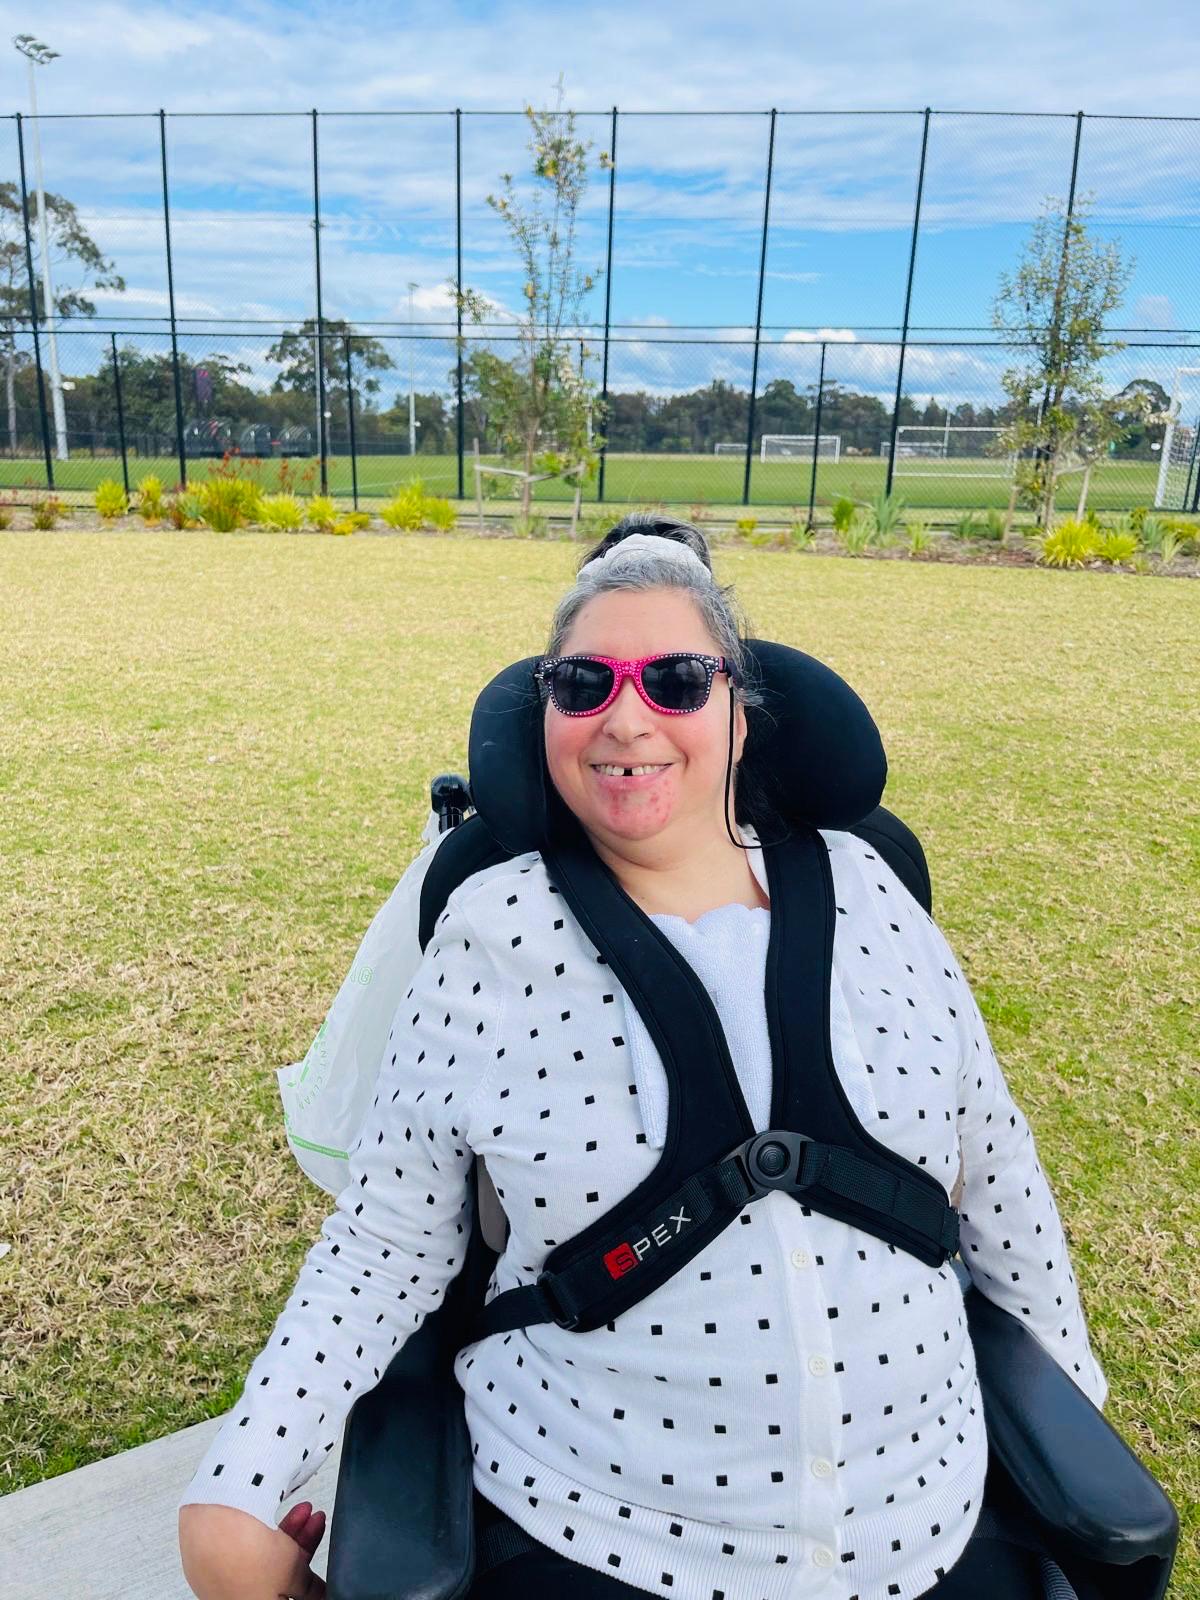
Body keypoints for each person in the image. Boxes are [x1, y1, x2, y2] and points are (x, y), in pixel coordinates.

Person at [178, 515, 1107, 1600]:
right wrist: (237, 1492)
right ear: (545, 716)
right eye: (583, 684)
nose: (626, 715)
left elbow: (1002, 1184)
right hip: (596, 1529)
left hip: (923, 1518)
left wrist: (1074, 1438)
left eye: (676, 679)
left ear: (739, 714)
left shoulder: (875, 895)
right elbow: (385, 1243)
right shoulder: (488, 932)